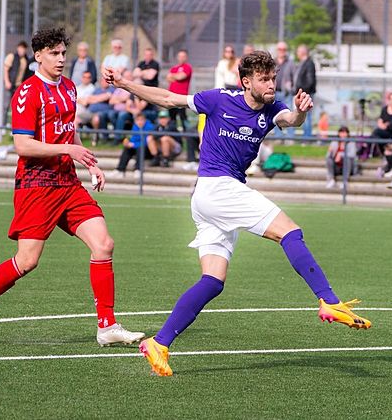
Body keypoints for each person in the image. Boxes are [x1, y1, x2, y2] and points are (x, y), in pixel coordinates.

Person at [105, 50, 371, 377]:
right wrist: (124, 83)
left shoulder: (272, 108)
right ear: (246, 81)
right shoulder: (219, 99)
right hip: (218, 188)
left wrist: (301, 112)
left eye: (273, 78)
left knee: (212, 281)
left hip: (211, 198)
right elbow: (168, 99)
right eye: (264, 79)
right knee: (290, 232)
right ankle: (328, 299)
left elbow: (290, 120)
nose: (271, 84)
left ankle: (159, 343)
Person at [0, 27, 144, 349]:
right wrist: (67, 149)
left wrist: (90, 163)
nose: (60, 59)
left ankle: (107, 325)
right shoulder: (27, 92)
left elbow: (70, 131)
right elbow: (23, 145)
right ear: (38, 55)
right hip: (36, 184)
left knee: (104, 244)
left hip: (67, 183)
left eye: (63, 53)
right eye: (54, 53)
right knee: (27, 261)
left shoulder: (69, 87)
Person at [166, 49, 195, 163]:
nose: (181, 58)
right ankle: (177, 141)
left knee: (184, 121)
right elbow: (169, 78)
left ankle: (188, 142)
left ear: (186, 57)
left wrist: (174, 77)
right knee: (172, 121)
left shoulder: (187, 67)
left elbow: (180, 77)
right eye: (180, 56)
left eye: (183, 56)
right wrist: (175, 76)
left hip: (182, 99)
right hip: (171, 99)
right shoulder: (174, 68)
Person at [293, 44, 317, 138]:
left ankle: (307, 138)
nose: (297, 53)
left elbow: (310, 81)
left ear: (303, 52)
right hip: (302, 93)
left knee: (307, 117)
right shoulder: (302, 63)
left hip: (306, 94)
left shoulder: (309, 63)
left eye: (298, 51)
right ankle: (306, 136)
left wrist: (302, 91)